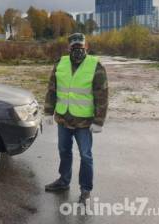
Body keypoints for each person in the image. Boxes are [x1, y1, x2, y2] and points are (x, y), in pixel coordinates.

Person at [44, 33, 108, 204]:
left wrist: (99, 121)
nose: (77, 49)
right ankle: (63, 182)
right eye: (74, 46)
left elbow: (102, 95)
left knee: (86, 156)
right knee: (64, 152)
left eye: (80, 46)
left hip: (84, 122)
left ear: (86, 47)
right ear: (69, 48)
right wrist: (48, 112)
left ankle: (85, 189)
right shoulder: (60, 64)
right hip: (64, 120)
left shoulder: (95, 66)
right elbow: (52, 89)